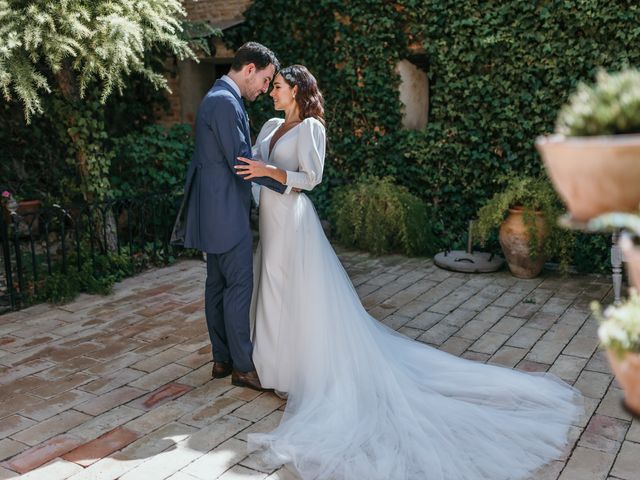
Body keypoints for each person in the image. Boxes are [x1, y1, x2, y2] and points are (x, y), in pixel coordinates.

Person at [235, 64, 584, 480]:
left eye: (277, 86)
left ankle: (298, 373)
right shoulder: (270, 124)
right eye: (271, 86)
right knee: (271, 290)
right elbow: (250, 166)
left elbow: (311, 178)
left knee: (296, 294)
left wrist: (271, 173)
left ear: (296, 89)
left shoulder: (311, 128)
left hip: (293, 219)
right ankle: (272, 368)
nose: (271, 92)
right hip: (268, 219)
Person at [171, 42, 286, 392]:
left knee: (217, 287)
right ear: (249, 69)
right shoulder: (224, 101)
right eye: (265, 80)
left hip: (215, 210)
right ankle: (242, 367)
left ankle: (221, 358)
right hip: (226, 212)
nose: (265, 89)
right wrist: (287, 183)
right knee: (237, 288)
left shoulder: (219, 96)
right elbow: (241, 163)